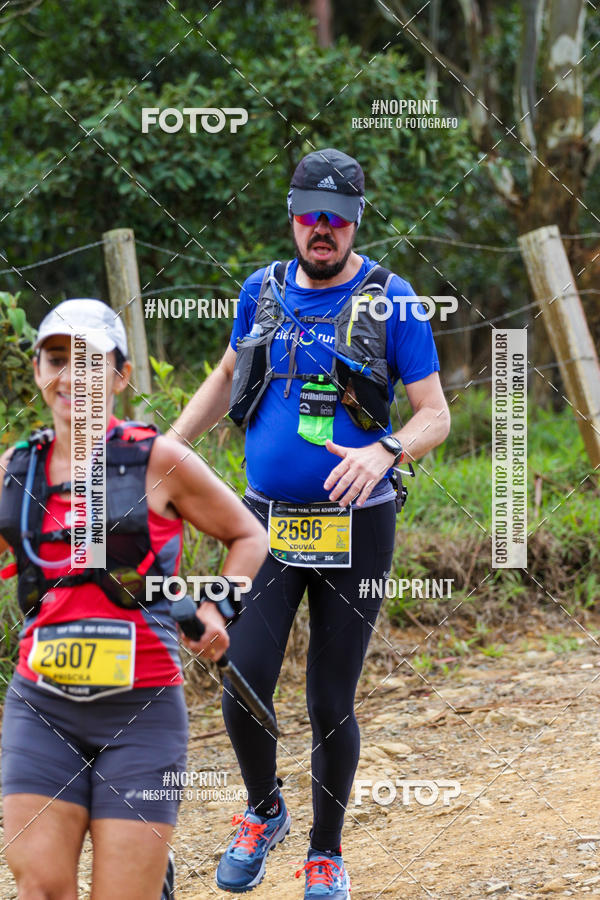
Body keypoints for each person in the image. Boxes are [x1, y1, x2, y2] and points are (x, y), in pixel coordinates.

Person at [170, 148, 451, 899]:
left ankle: (325, 854)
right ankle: (265, 812)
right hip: (262, 525)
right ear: (291, 216)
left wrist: (386, 450)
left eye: (336, 217)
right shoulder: (260, 290)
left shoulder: (393, 300)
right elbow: (230, 371)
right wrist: (171, 447)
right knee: (242, 676)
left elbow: (435, 415)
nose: (320, 230)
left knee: (330, 699)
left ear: (356, 220)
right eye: (308, 215)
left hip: (358, 529)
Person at [0, 298, 268, 900]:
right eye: (57, 359)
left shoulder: (160, 462)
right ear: (40, 371)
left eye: (91, 361)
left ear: (121, 375)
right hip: (40, 709)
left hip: (142, 711)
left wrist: (215, 606)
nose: (72, 377)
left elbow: (249, 534)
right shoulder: (14, 472)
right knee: (41, 888)